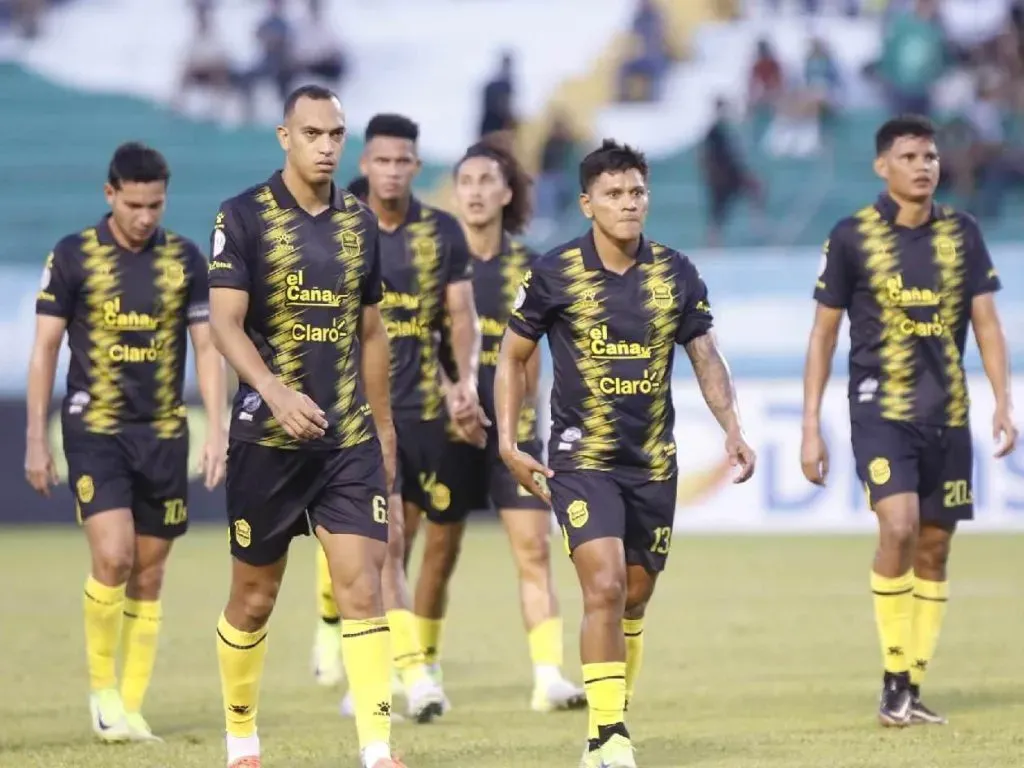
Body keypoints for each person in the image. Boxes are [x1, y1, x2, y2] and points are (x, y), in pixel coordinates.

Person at [495, 139, 756, 768]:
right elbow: (513, 355)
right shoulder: (554, 273)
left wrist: (732, 427)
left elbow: (706, 358)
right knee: (605, 587)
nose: (628, 203)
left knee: (634, 595)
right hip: (581, 460)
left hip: (652, 463)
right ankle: (606, 737)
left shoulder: (677, 273)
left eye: (637, 191)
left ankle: (614, 715)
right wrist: (507, 442)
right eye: (613, 194)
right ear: (587, 204)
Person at [207, 84, 403, 768]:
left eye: (336, 134)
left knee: (362, 585)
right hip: (268, 439)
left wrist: (382, 427)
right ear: (283, 136)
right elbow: (225, 325)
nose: (326, 146)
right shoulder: (243, 216)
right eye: (312, 133)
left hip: (346, 440)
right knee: (253, 599)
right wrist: (271, 388)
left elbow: (371, 332)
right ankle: (241, 739)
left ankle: (378, 750)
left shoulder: (359, 225)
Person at [800, 114, 1017, 728]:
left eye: (930, 156)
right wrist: (810, 426)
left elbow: (987, 323)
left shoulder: (962, 233)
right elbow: (822, 335)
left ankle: (910, 687)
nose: (924, 165)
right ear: (882, 166)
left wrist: (1003, 401)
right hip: (880, 410)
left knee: (935, 547)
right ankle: (895, 678)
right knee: (896, 526)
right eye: (910, 156)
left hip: (948, 411)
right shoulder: (851, 237)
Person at [25, 141, 226, 743]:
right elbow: (43, 351)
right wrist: (36, 437)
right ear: (110, 194)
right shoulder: (73, 256)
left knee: (149, 572)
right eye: (134, 204)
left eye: (155, 205)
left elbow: (208, 347)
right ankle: (102, 691)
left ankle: (129, 707)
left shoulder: (185, 259)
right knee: (113, 555)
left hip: (165, 432)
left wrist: (217, 429)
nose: (145, 216)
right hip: (95, 428)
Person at [313, 114, 481, 725]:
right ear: (365, 164)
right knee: (382, 546)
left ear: (415, 165)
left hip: (420, 413)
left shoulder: (442, 233)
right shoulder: (334, 226)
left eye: (402, 161)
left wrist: (464, 382)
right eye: (381, 160)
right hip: (351, 415)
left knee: (396, 548)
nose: (391, 170)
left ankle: (368, 662)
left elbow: (460, 318)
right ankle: (413, 676)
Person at [411, 138, 586, 713]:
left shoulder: (529, 267)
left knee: (533, 549)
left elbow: (537, 359)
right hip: (447, 429)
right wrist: (455, 400)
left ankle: (547, 677)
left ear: (507, 192)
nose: (477, 191)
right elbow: (421, 344)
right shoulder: (433, 263)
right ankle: (423, 670)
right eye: (466, 182)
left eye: (488, 181)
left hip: (514, 435)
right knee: (439, 553)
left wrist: (517, 424)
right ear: (455, 192)